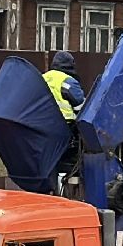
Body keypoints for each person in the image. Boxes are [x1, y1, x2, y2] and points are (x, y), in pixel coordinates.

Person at [44, 52, 85, 180]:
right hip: (65, 129)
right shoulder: (67, 81)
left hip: (42, 128)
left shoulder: (42, 78)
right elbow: (80, 108)